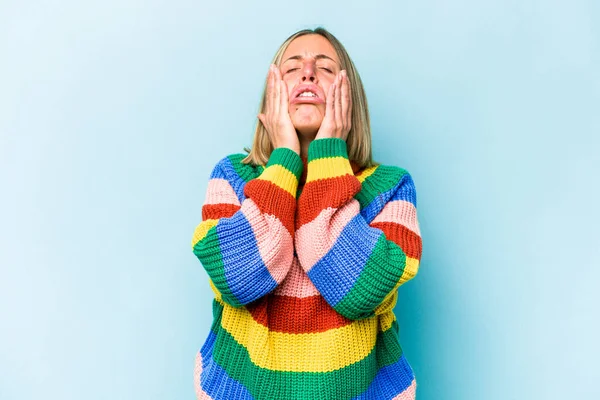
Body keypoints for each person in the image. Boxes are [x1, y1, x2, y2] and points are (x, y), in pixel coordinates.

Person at [191, 27, 423, 400]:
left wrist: (328, 152)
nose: (308, 73)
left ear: (351, 98)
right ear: (272, 95)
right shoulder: (233, 176)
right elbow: (239, 279)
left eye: (326, 68)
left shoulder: (391, 187)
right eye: (292, 67)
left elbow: (358, 293)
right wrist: (284, 158)